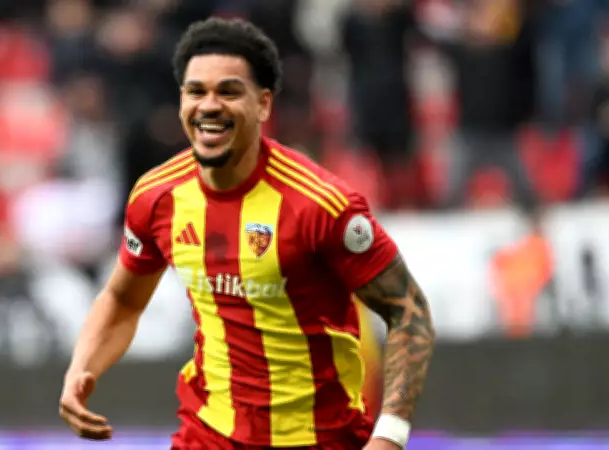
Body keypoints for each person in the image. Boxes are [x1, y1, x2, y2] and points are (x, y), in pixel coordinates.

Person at [58, 17, 435, 450]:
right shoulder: (156, 197)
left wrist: (390, 436)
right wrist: (81, 368)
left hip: (318, 438)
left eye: (229, 92)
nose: (209, 106)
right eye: (196, 91)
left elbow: (409, 312)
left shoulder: (321, 205)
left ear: (263, 105)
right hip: (208, 435)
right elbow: (123, 299)